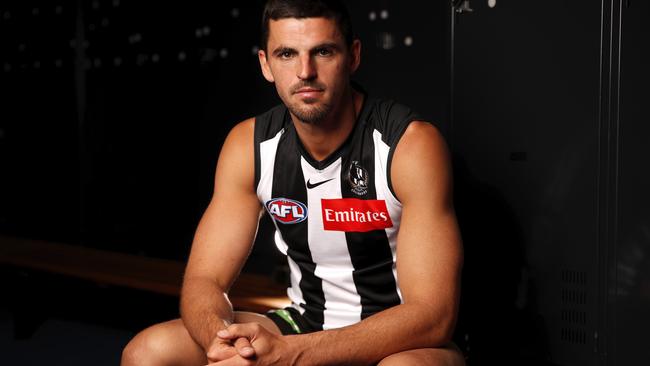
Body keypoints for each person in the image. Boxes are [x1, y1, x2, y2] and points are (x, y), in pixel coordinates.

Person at [121, 0, 464, 365]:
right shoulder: (249, 145)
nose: (305, 71)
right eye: (287, 54)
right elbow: (203, 280)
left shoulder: (409, 145)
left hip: (398, 342)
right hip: (303, 323)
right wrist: (221, 343)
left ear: (353, 56)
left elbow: (433, 316)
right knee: (147, 352)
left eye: (323, 51)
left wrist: (292, 355)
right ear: (266, 65)